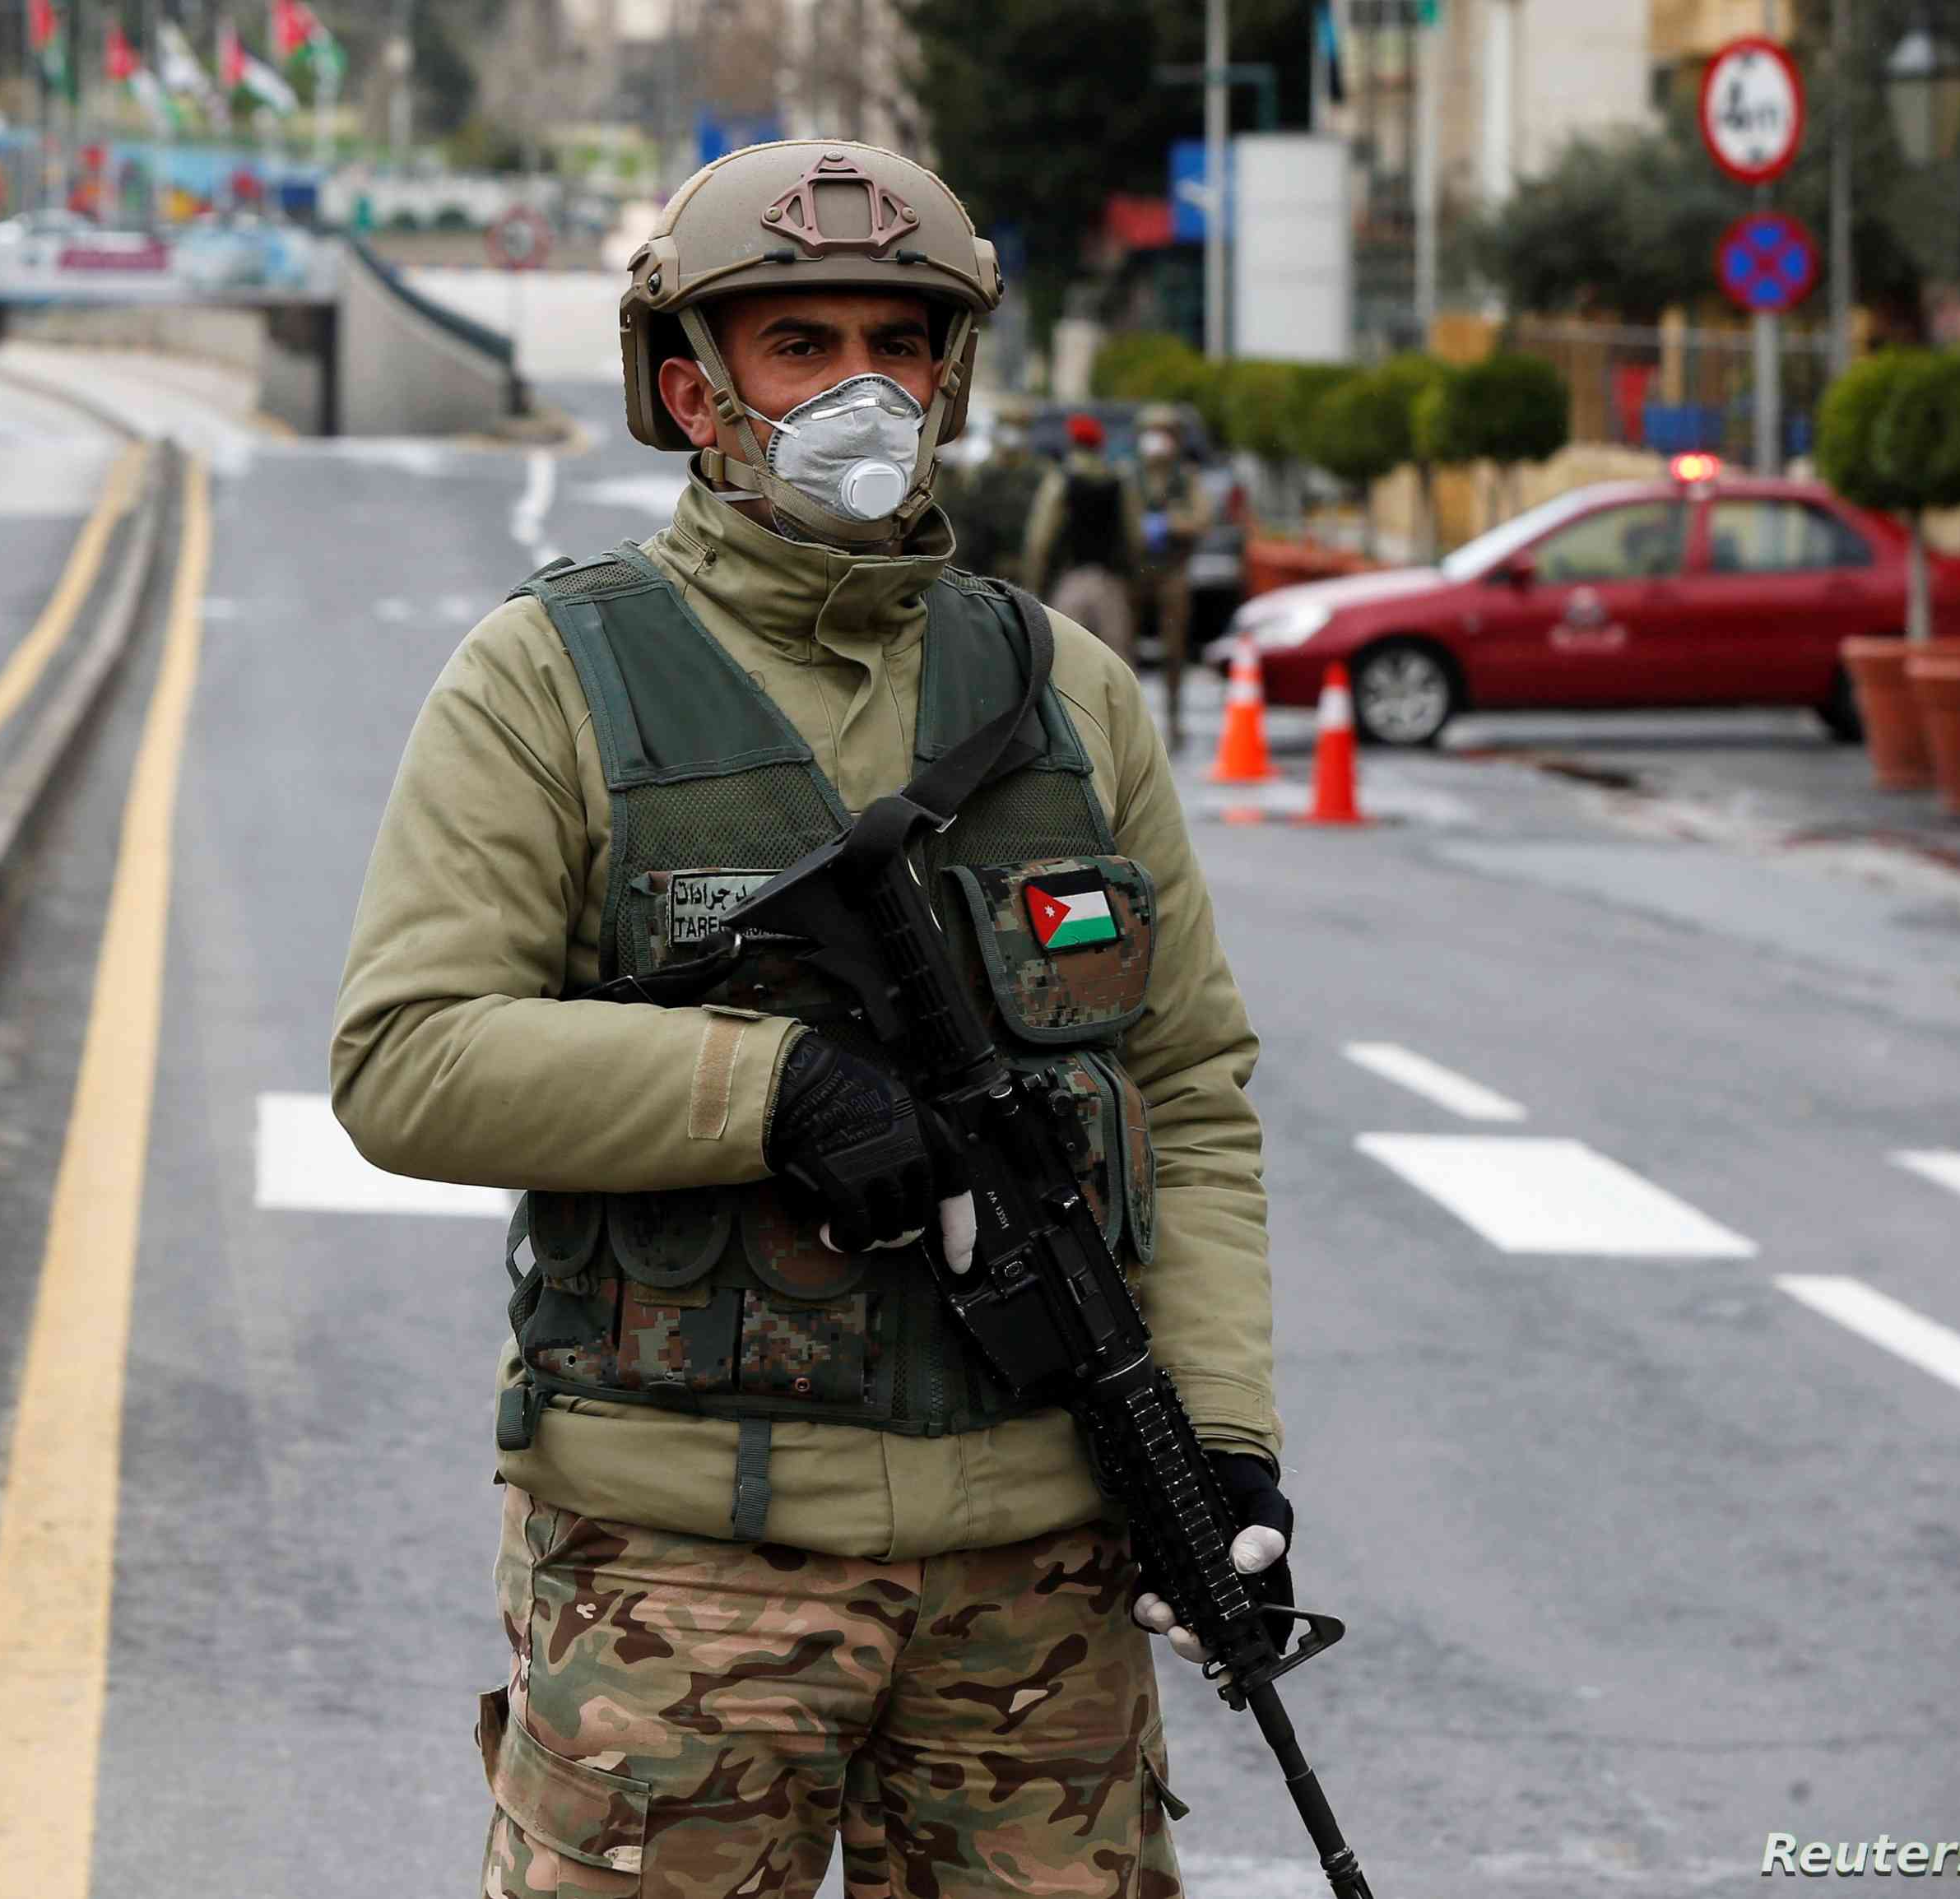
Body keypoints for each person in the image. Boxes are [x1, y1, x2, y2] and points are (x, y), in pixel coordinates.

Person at [332, 138, 1286, 1899]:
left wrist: (1218, 1432)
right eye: (800, 344)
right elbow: (407, 1055)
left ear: (950, 375)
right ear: (694, 390)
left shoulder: (1066, 694)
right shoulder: (551, 679)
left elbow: (1186, 1090)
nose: (862, 386)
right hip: (680, 1574)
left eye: (897, 343)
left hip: (1037, 1577)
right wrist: (765, 1087)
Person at [1024, 411, 1140, 662]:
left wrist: (1035, 582)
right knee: (1118, 662)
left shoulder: (1061, 480)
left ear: (1072, 442)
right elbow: (1134, 537)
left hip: (1071, 579)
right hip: (1110, 582)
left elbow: (1040, 539)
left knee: (1065, 660)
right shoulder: (1119, 481)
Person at [1134, 409, 1209, 754]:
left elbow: (1201, 519)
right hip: (1134, 572)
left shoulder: (1186, 478)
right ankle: (1128, 721)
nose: (1157, 439)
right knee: (1121, 648)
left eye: (1164, 432)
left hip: (1172, 572)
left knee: (1174, 649)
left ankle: (1174, 718)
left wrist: (1168, 523)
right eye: (1152, 431)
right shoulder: (1131, 475)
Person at [938, 392, 1048, 586]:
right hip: (983, 564)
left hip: (1018, 562)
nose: (1013, 434)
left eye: (1019, 427)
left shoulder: (1038, 473)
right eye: (1009, 426)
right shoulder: (984, 472)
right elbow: (968, 516)